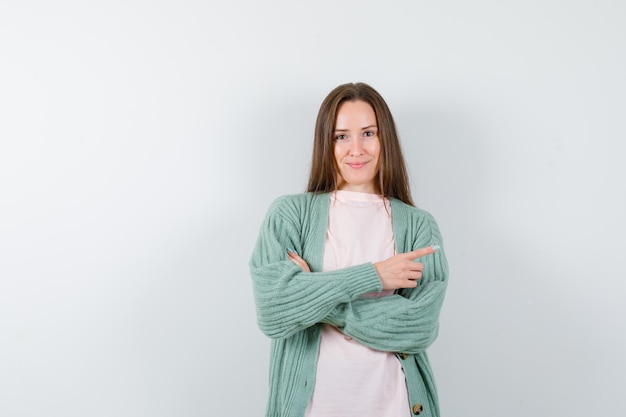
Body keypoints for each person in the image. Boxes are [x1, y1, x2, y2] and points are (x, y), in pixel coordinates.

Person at [250, 82, 449, 417]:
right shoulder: (289, 215)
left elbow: (419, 326)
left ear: (385, 138)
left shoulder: (419, 226)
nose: (356, 149)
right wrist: (374, 275)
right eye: (341, 136)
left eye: (368, 133)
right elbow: (273, 311)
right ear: (326, 144)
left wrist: (314, 297)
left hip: (395, 405)